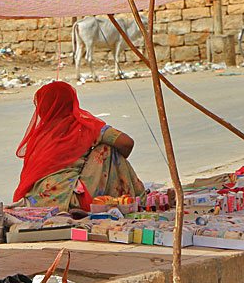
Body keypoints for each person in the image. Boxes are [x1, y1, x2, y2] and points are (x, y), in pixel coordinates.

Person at [12, 81, 145, 212]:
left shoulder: (39, 136)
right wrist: (115, 164)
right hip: (72, 199)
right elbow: (126, 142)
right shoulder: (83, 126)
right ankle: (134, 199)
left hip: (39, 200)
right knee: (108, 149)